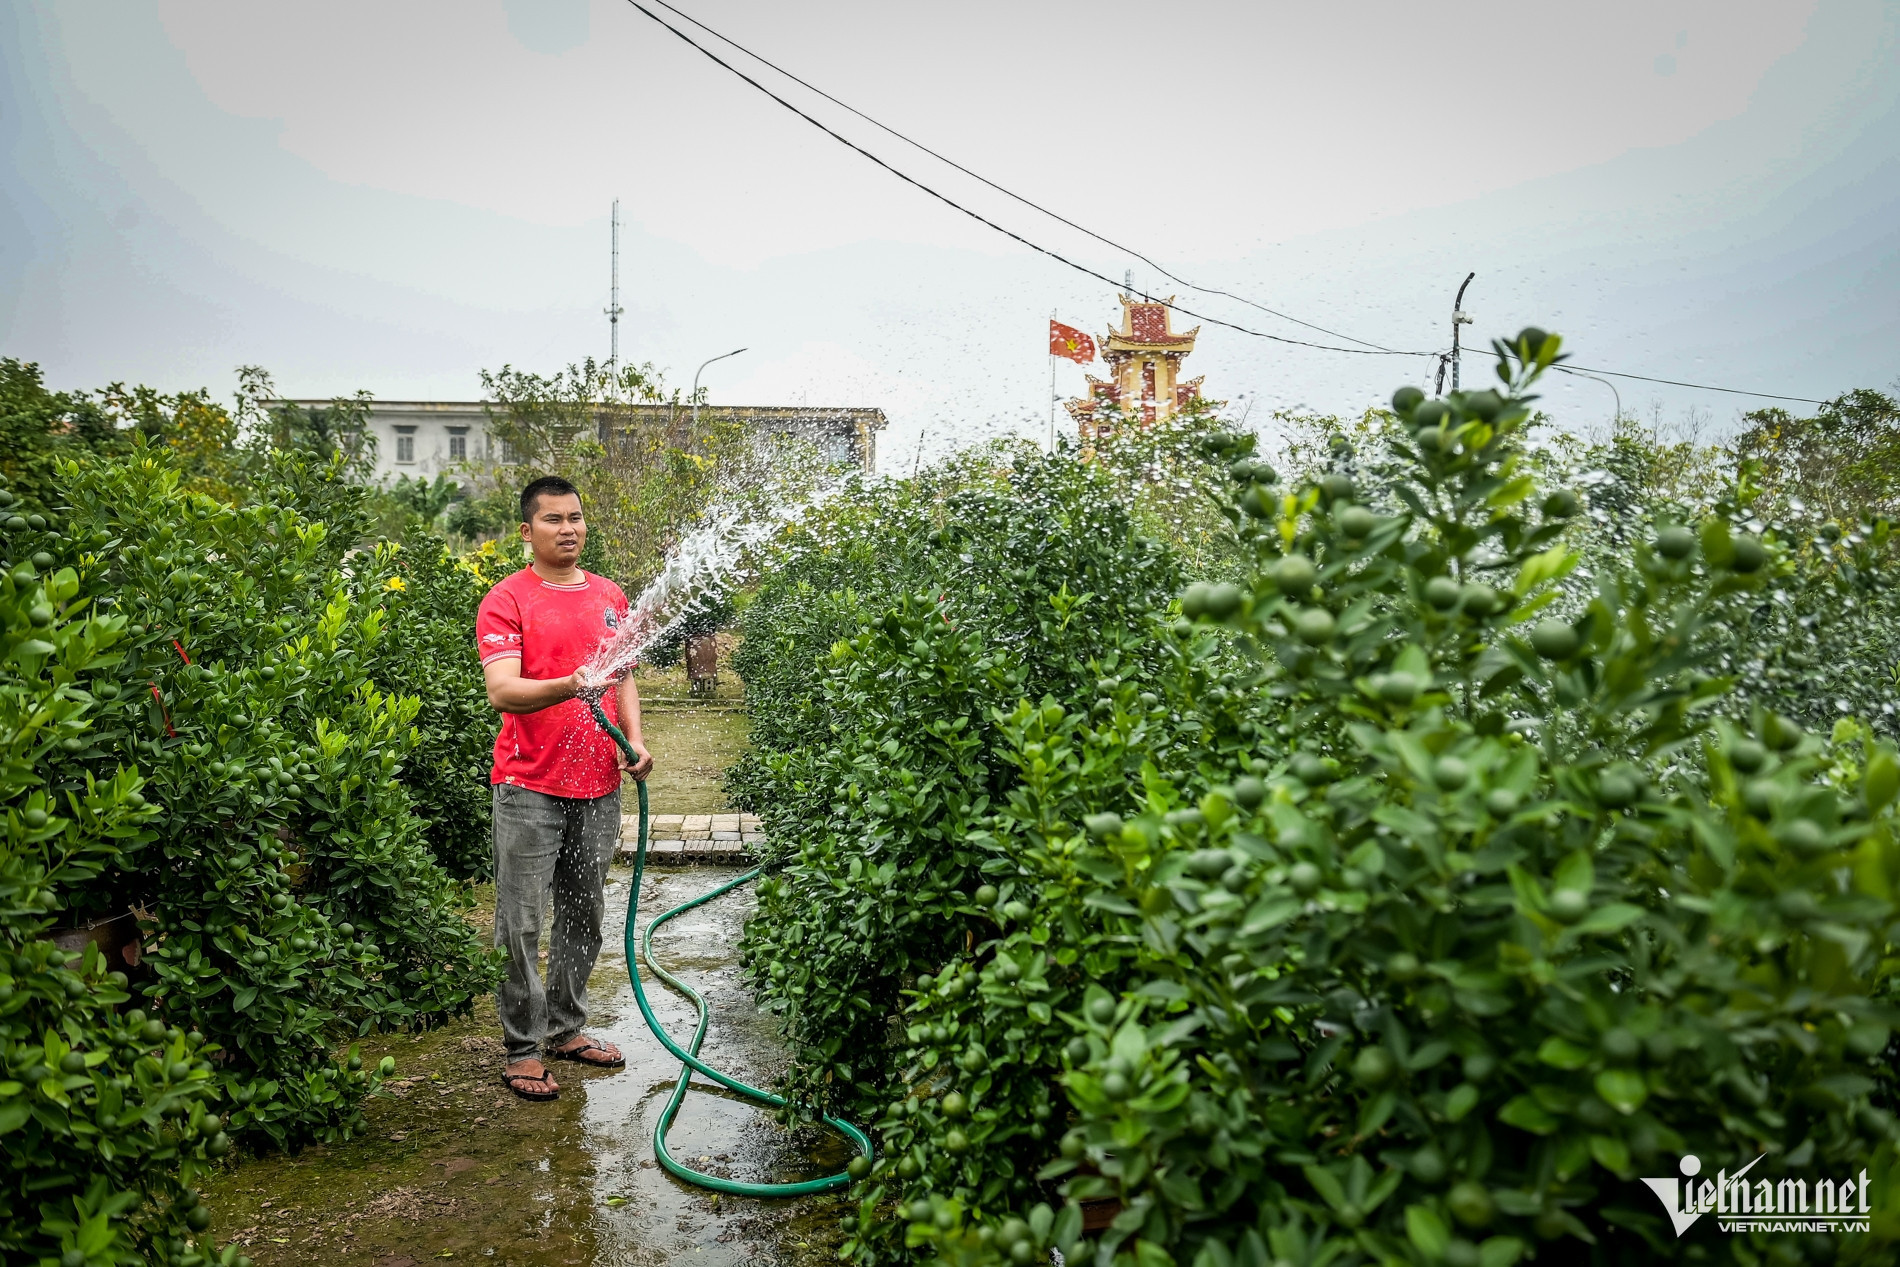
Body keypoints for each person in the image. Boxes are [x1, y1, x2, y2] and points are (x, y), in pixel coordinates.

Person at [476, 474, 653, 1101]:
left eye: (575, 517)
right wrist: (569, 684)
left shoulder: (608, 595)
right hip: (528, 784)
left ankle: (565, 1028)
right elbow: (504, 690)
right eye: (553, 519)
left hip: (598, 784)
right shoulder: (507, 600)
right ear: (527, 531)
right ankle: (523, 1049)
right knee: (521, 921)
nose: (568, 529)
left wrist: (633, 740)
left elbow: (622, 677)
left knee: (584, 910)